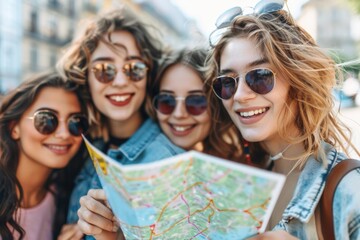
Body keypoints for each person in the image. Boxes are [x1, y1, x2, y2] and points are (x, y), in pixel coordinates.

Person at [204, 0, 360, 239]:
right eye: (227, 82)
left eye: (260, 76)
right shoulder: (236, 189)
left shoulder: (349, 189)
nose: (240, 95)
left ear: (298, 81)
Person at [74, 47, 243, 239]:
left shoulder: (235, 173)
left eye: (196, 102)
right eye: (167, 101)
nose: (179, 114)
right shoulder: (138, 168)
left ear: (215, 105)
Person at [56, 8, 184, 239]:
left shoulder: (167, 163)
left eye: (134, 68)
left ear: (148, 75)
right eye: (104, 70)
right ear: (86, 77)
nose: (121, 81)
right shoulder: (81, 146)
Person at [0, 71, 89, 239]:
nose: (64, 134)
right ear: (14, 127)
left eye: (76, 122)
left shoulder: (67, 198)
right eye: (47, 119)